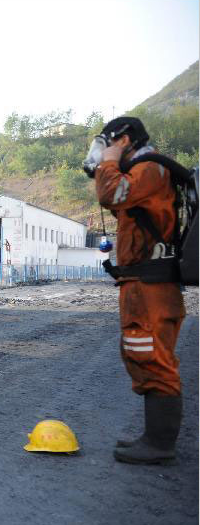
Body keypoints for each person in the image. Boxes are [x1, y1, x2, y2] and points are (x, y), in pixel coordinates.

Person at [89, 117, 186, 465]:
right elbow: (115, 199)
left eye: (108, 143)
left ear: (125, 139)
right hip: (142, 284)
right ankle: (154, 436)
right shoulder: (143, 172)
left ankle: (161, 443)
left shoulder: (149, 168)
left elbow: (109, 192)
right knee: (141, 353)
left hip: (151, 285)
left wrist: (110, 160)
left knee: (153, 357)